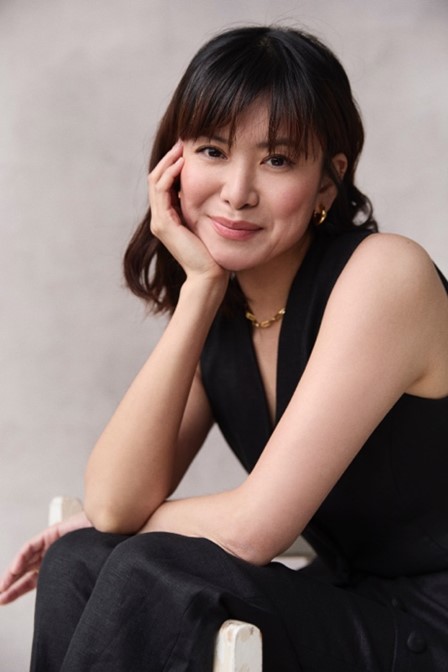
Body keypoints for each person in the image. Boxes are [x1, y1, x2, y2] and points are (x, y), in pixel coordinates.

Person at [1, 24, 447, 672]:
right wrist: (202, 290)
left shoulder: (385, 276)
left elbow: (254, 529)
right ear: (174, 163)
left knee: (147, 566)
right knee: (81, 559)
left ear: (328, 183)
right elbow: (115, 503)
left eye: (277, 160)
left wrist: (125, 528)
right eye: (213, 150)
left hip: (431, 622)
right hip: (350, 601)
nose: (238, 191)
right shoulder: (227, 309)